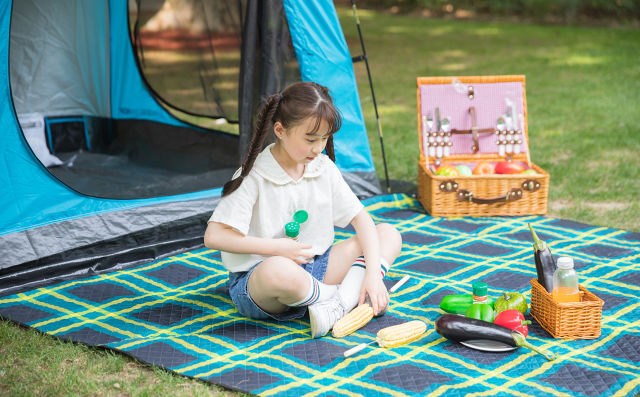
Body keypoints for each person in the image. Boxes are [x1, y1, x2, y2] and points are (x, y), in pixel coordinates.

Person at [204, 81, 402, 338]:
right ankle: (339, 298)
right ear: (280, 130)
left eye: (324, 138)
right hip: (262, 281)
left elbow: (361, 219)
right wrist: (277, 248)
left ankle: (335, 305)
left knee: (387, 233)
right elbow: (214, 237)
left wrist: (374, 275)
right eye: (310, 139)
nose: (318, 148)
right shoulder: (255, 175)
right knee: (279, 269)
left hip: (315, 267)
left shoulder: (322, 167)